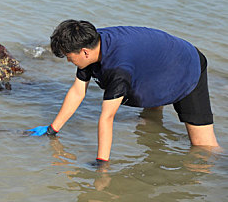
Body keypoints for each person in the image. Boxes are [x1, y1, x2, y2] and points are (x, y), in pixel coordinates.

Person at [28, 19, 219, 163]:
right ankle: (155, 130)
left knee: (203, 147)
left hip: (186, 66)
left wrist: (102, 165)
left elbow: (107, 117)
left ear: (85, 52)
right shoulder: (91, 42)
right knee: (147, 122)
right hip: (156, 64)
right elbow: (78, 91)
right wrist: (52, 129)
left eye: (69, 57)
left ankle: (220, 169)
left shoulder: (118, 67)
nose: (69, 61)